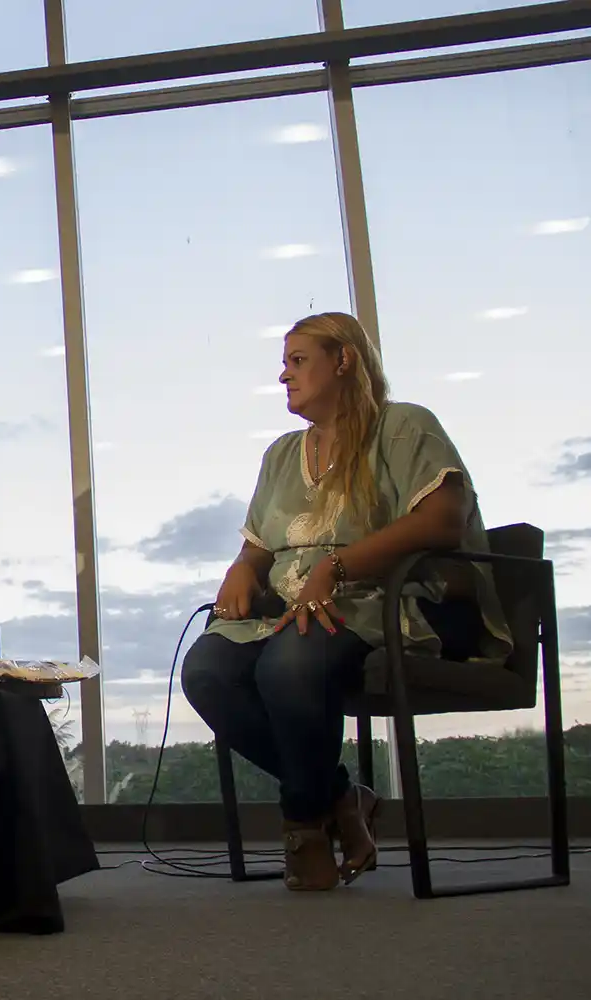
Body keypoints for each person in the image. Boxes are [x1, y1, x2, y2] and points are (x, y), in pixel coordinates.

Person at [180, 312, 512, 892]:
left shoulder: (405, 427)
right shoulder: (282, 454)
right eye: (284, 363)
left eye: (298, 360)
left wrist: (336, 567)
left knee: (292, 662)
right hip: (288, 609)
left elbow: (442, 519)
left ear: (344, 360)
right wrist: (241, 569)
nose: (284, 375)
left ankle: (304, 826)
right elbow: (258, 545)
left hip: (381, 599)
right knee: (206, 670)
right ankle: (340, 796)